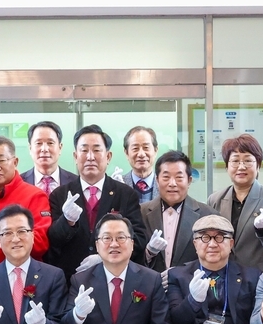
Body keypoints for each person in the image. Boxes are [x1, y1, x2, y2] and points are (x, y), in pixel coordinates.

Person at [48, 124, 148, 282]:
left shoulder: (125, 194)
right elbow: (53, 242)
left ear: (108, 156)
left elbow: (139, 239)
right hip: (71, 281)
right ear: (75, 156)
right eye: (84, 150)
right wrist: (67, 221)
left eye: (96, 150)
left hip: (114, 278)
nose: (90, 157)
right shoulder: (60, 195)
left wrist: (104, 256)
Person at [206, 135, 263, 272]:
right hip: (222, 275)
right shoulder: (214, 200)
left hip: (259, 275)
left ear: (258, 166)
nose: (241, 167)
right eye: (235, 161)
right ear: (227, 167)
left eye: (248, 161)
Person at [140, 151, 218, 277]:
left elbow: (217, 258)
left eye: (179, 177)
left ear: (189, 181)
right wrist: (149, 252)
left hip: (191, 286)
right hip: (149, 285)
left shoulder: (208, 216)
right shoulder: (140, 213)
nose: (172, 183)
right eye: (166, 177)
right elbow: (131, 258)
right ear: (157, 180)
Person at [0, 136, 51, 265]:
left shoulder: (34, 196)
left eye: (2, 160)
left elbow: (41, 243)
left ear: (15, 162)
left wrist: (0, 239)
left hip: (20, 271)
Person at [20, 121, 78, 195]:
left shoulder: (76, 182)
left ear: (60, 147)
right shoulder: (19, 182)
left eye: (50, 143)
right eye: (38, 143)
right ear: (30, 148)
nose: (44, 149)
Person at [117, 126, 159, 204]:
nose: (141, 154)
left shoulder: (165, 185)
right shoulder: (118, 185)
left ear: (155, 151)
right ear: (126, 153)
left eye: (146, 147)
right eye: (135, 148)